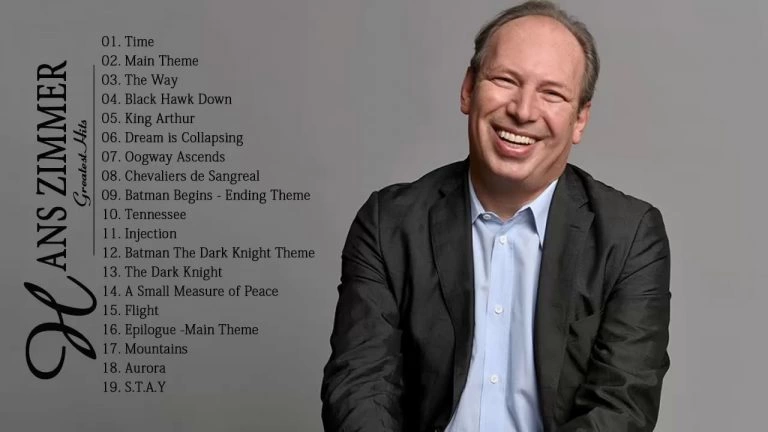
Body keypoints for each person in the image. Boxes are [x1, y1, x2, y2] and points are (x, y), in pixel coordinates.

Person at [321, 1, 671, 431]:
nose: (523, 111)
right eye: (506, 80)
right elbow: (359, 388)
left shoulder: (630, 237)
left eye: (552, 93)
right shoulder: (388, 225)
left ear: (580, 119)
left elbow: (622, 407)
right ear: (468, 89)